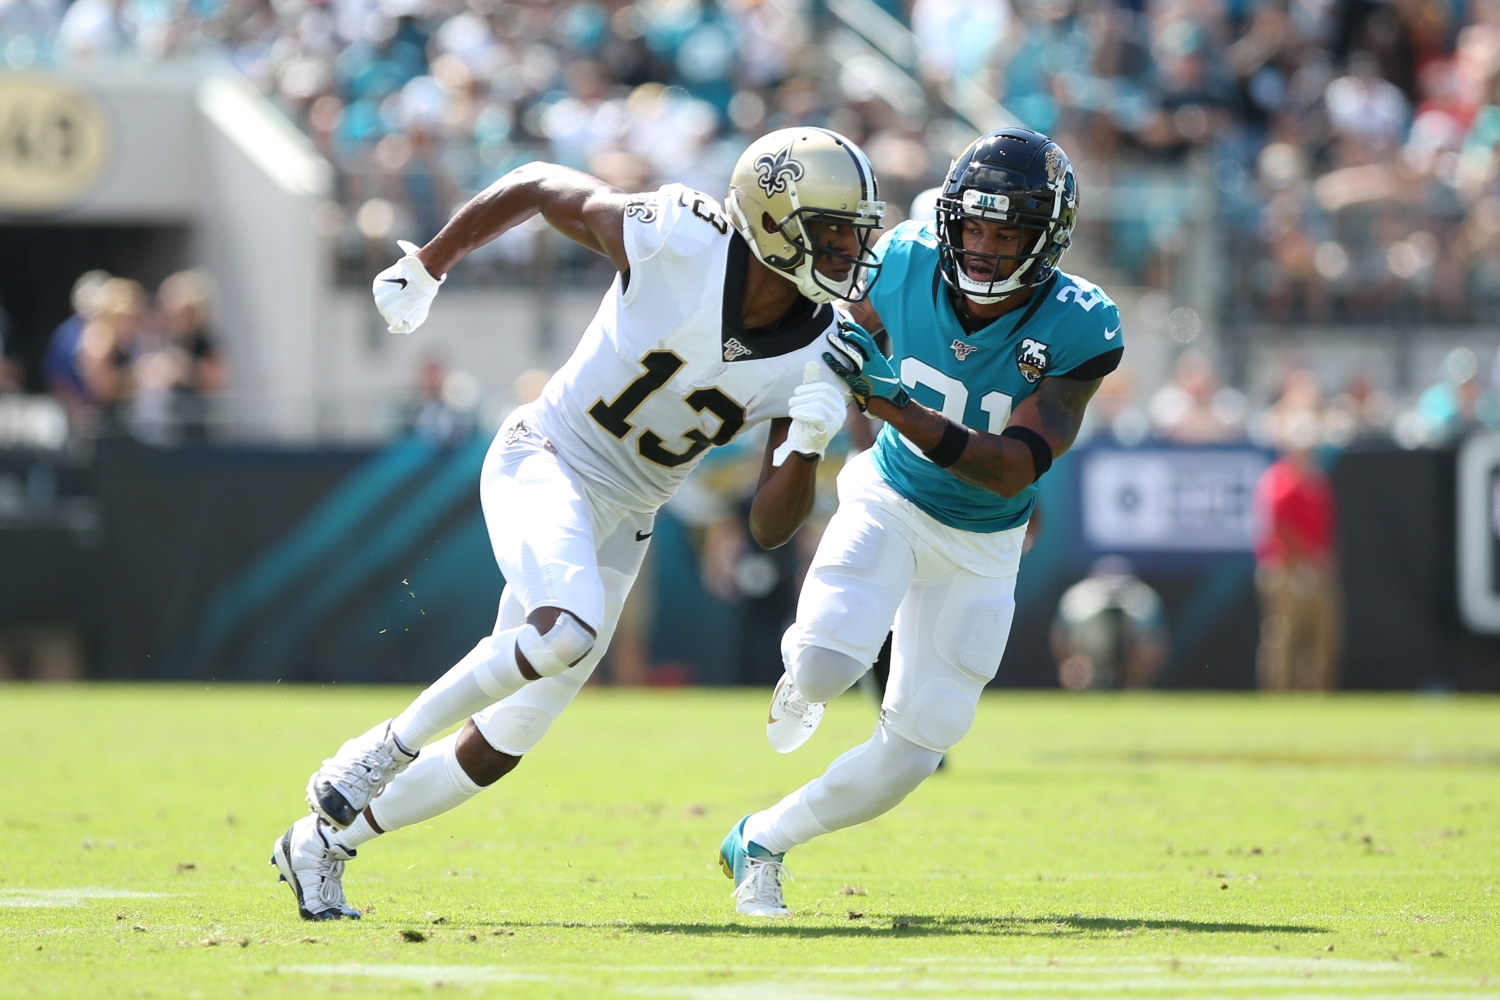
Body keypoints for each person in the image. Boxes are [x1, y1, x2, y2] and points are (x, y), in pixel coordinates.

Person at [270, 126, 886, 921]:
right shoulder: (677, 236)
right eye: (831, 229)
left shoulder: (821, 347)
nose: (847, 250)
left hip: (630, 511)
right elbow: (533, 183)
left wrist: (804, 445)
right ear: (773, 220)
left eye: (854, 231)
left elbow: (772, 526)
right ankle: (378, 752)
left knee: (505, 740)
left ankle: (321, 844)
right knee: (563, 629)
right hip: (549, 455)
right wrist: (430, 262)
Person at [718, 127, 1124, 917]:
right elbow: (839, 356)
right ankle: (803, 672)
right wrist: (820, 418)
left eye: (1007, 232)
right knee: (830, 666)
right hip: (890, 500)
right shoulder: (902, 262)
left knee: (920, 744)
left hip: (986, 540)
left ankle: (760, 839)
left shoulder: (1083, 323)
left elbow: (1012, 465)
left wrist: (889, 401)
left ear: (1048, 240)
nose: (982, 246)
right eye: (972, 225)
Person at [1252, 412, 1340, 691]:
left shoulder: (1318, 483)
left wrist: (1321, 564)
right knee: (1283, 637)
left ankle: (1316, 696)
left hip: (1316, 568)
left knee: (1324, 636)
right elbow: (1280, 531)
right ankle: (1279, 696)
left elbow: (1327, 528)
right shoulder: (1277, 482)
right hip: (1285, 568)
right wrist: (1303, 563)